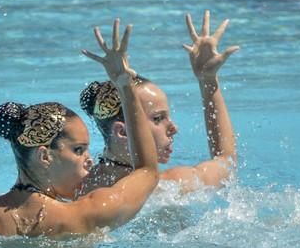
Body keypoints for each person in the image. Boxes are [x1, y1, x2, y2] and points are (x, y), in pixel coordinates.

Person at [0, 19, 159, 236]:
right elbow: (147, 170)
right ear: (45, 156)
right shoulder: (82, 215)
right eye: (78, 150)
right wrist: (125, 88)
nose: (90, 161)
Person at [78, 10, 239, 195]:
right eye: (158, 118)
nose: (174, 128)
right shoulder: (166, 188)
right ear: (122, 132)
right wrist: (208, 82)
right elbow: (226, 163)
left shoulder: (76, 188)